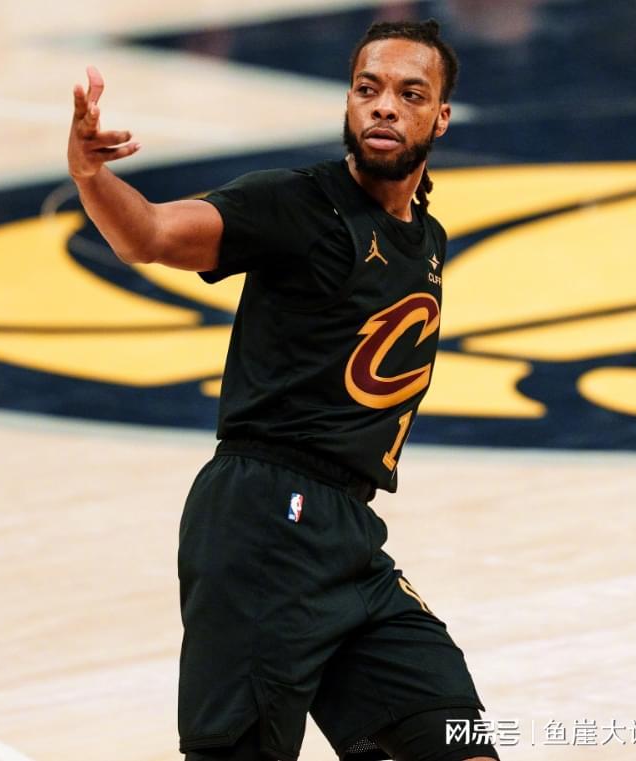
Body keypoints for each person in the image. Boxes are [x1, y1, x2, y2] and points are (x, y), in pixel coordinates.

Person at [67, 18, 499, 761]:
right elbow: (151, 235)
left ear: (440, 117)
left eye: (409, 93)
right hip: (263, 517)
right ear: (348, 102)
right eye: (367, 89)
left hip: (351, 537)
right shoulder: (295, 204)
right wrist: (90, 177)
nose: (383, 105)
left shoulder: (426, 240)